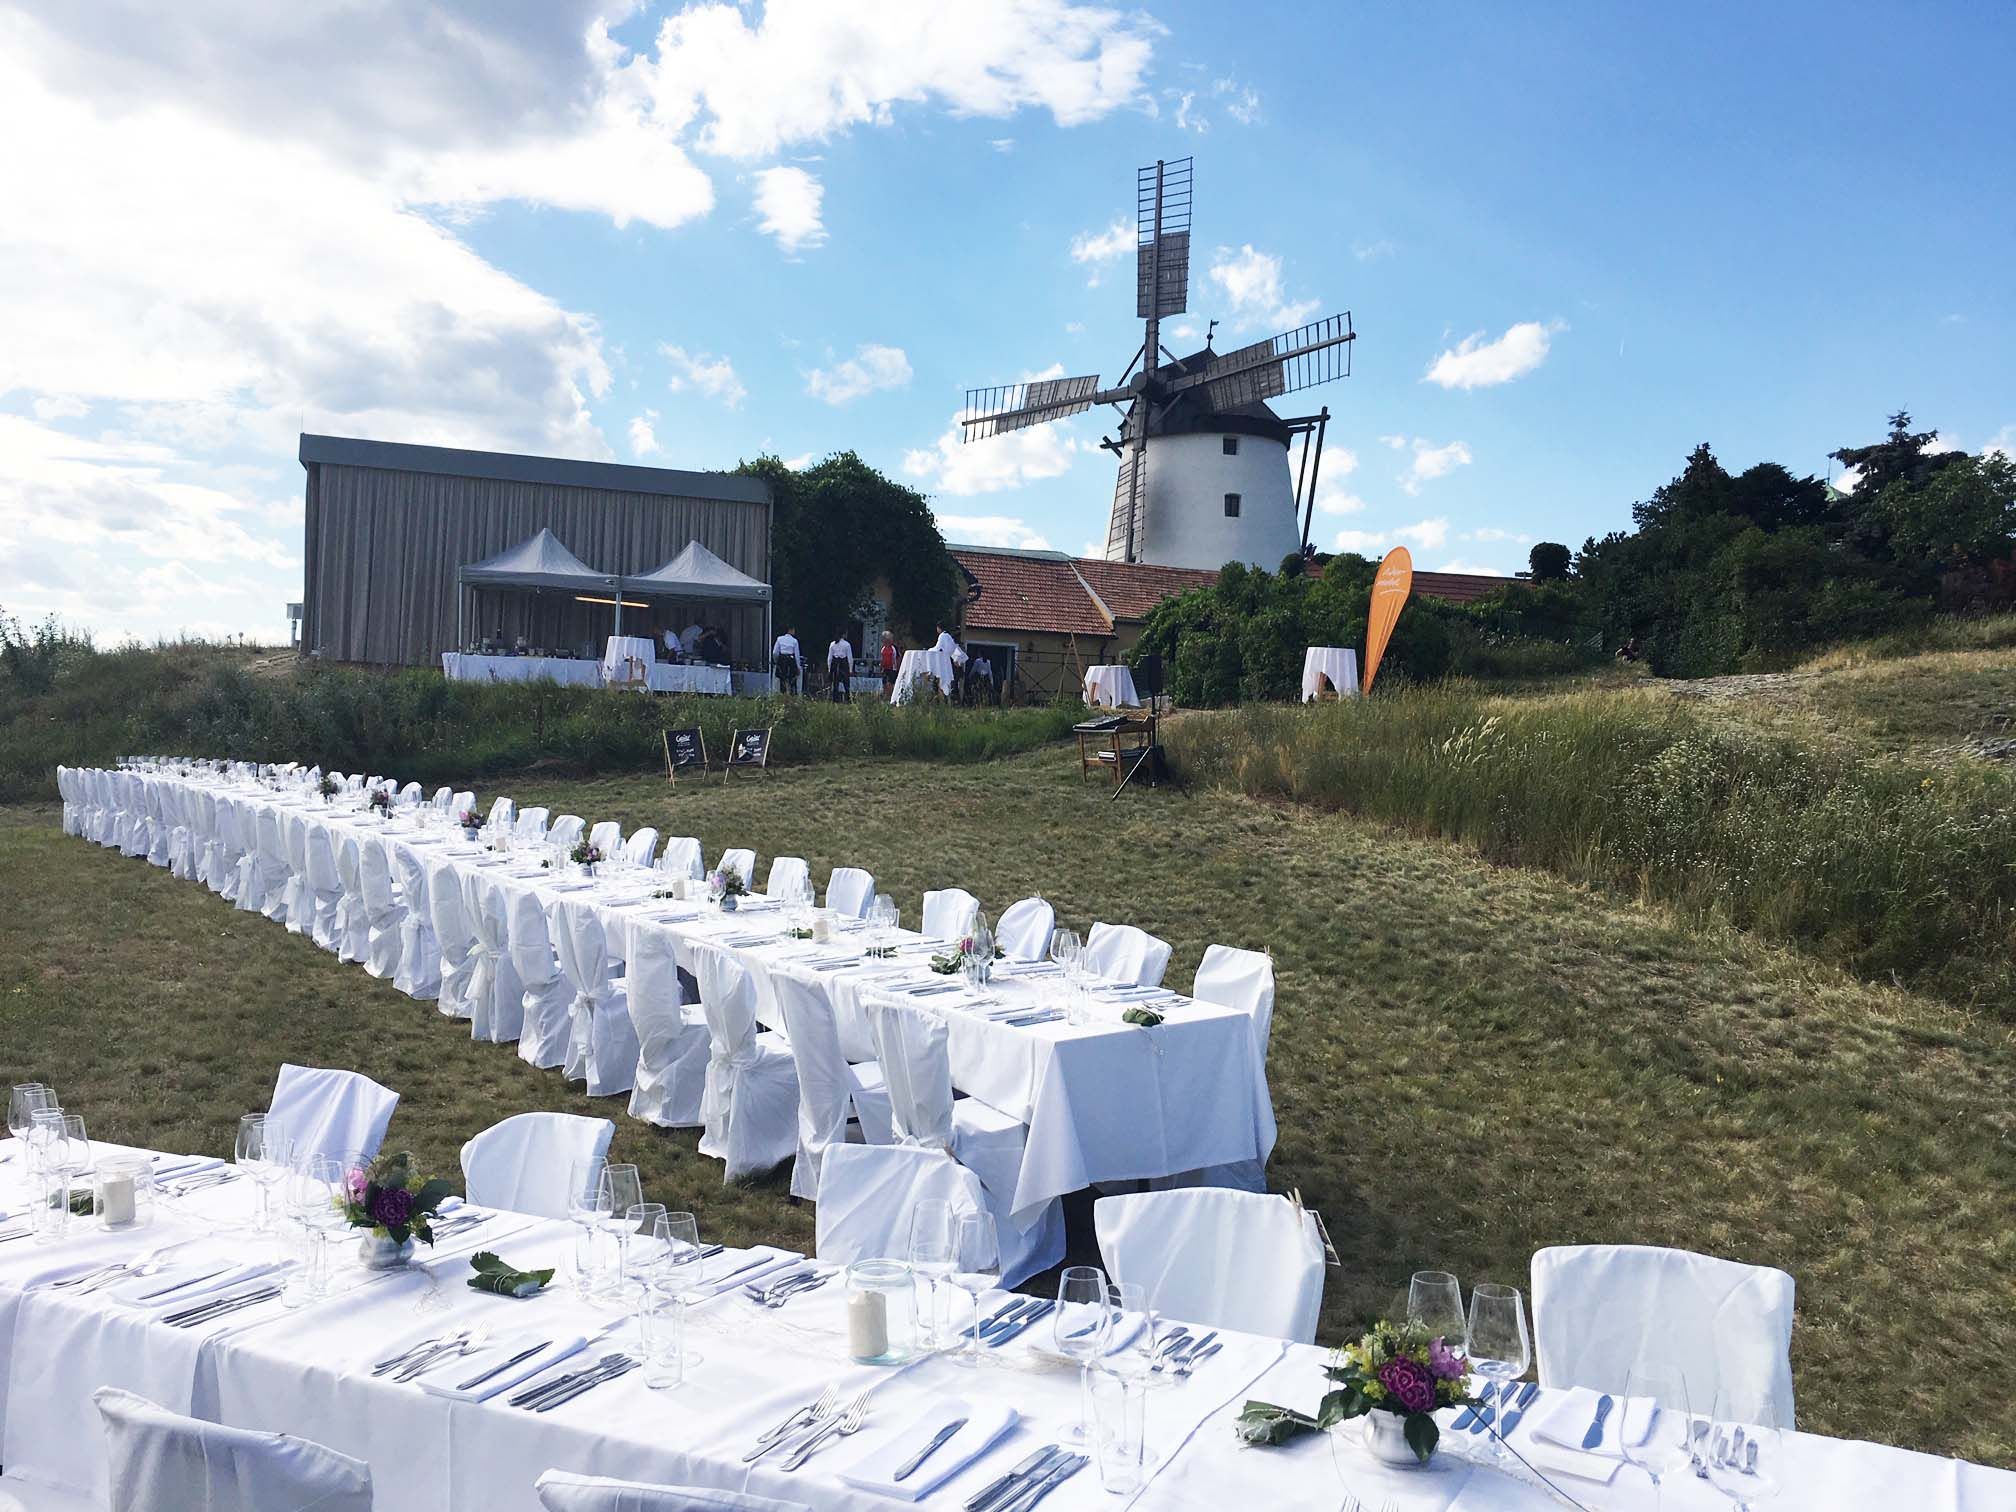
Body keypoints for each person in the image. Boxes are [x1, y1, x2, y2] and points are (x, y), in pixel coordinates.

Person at [772, 625, 803, 694]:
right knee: (792, 679)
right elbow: (797, 655)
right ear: (790, 630)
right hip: (790, 660)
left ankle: (781, 693)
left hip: (781, 660)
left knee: (781, 679)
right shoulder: (794, 641)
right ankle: (792, 693)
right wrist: (798, 667)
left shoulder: (779, 639)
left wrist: (776, 661)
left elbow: (775, 652)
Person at [826, 628, 854, 704]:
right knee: (846, 683)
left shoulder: (832, 644)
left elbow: (829, 657)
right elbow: (850, 658)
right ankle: (848, 699)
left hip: (835, 663)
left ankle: (835, 699)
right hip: (843, 663)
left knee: (835, 683)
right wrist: (850, 669)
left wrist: (829, 668)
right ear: (843, 635)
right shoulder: (847, 644)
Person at [879, 630, 899, 700]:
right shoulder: (883, 648)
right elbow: (882, 658)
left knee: (890, 683)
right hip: (885, 668)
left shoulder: (894, 648)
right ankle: (885, 697)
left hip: (892, 669)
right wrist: (881, 667)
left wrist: (897, 668)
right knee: (884, 683)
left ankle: (891, 697)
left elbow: (897, 658)